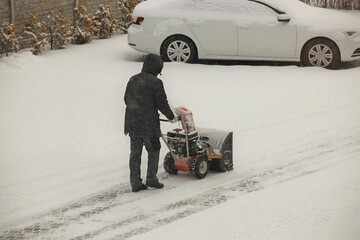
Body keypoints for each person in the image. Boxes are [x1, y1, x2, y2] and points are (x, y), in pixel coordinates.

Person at [124, 54, 177, 192]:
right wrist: (171, 117)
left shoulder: (133, 79)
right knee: (153, 150)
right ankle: (151, 179)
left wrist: (138, 109)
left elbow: (126, 99)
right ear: (157, 67)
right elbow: (162, 103)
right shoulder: (155, 83)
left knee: (135, 153)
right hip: (149, 126)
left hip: (133, 123)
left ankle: (135, 183)